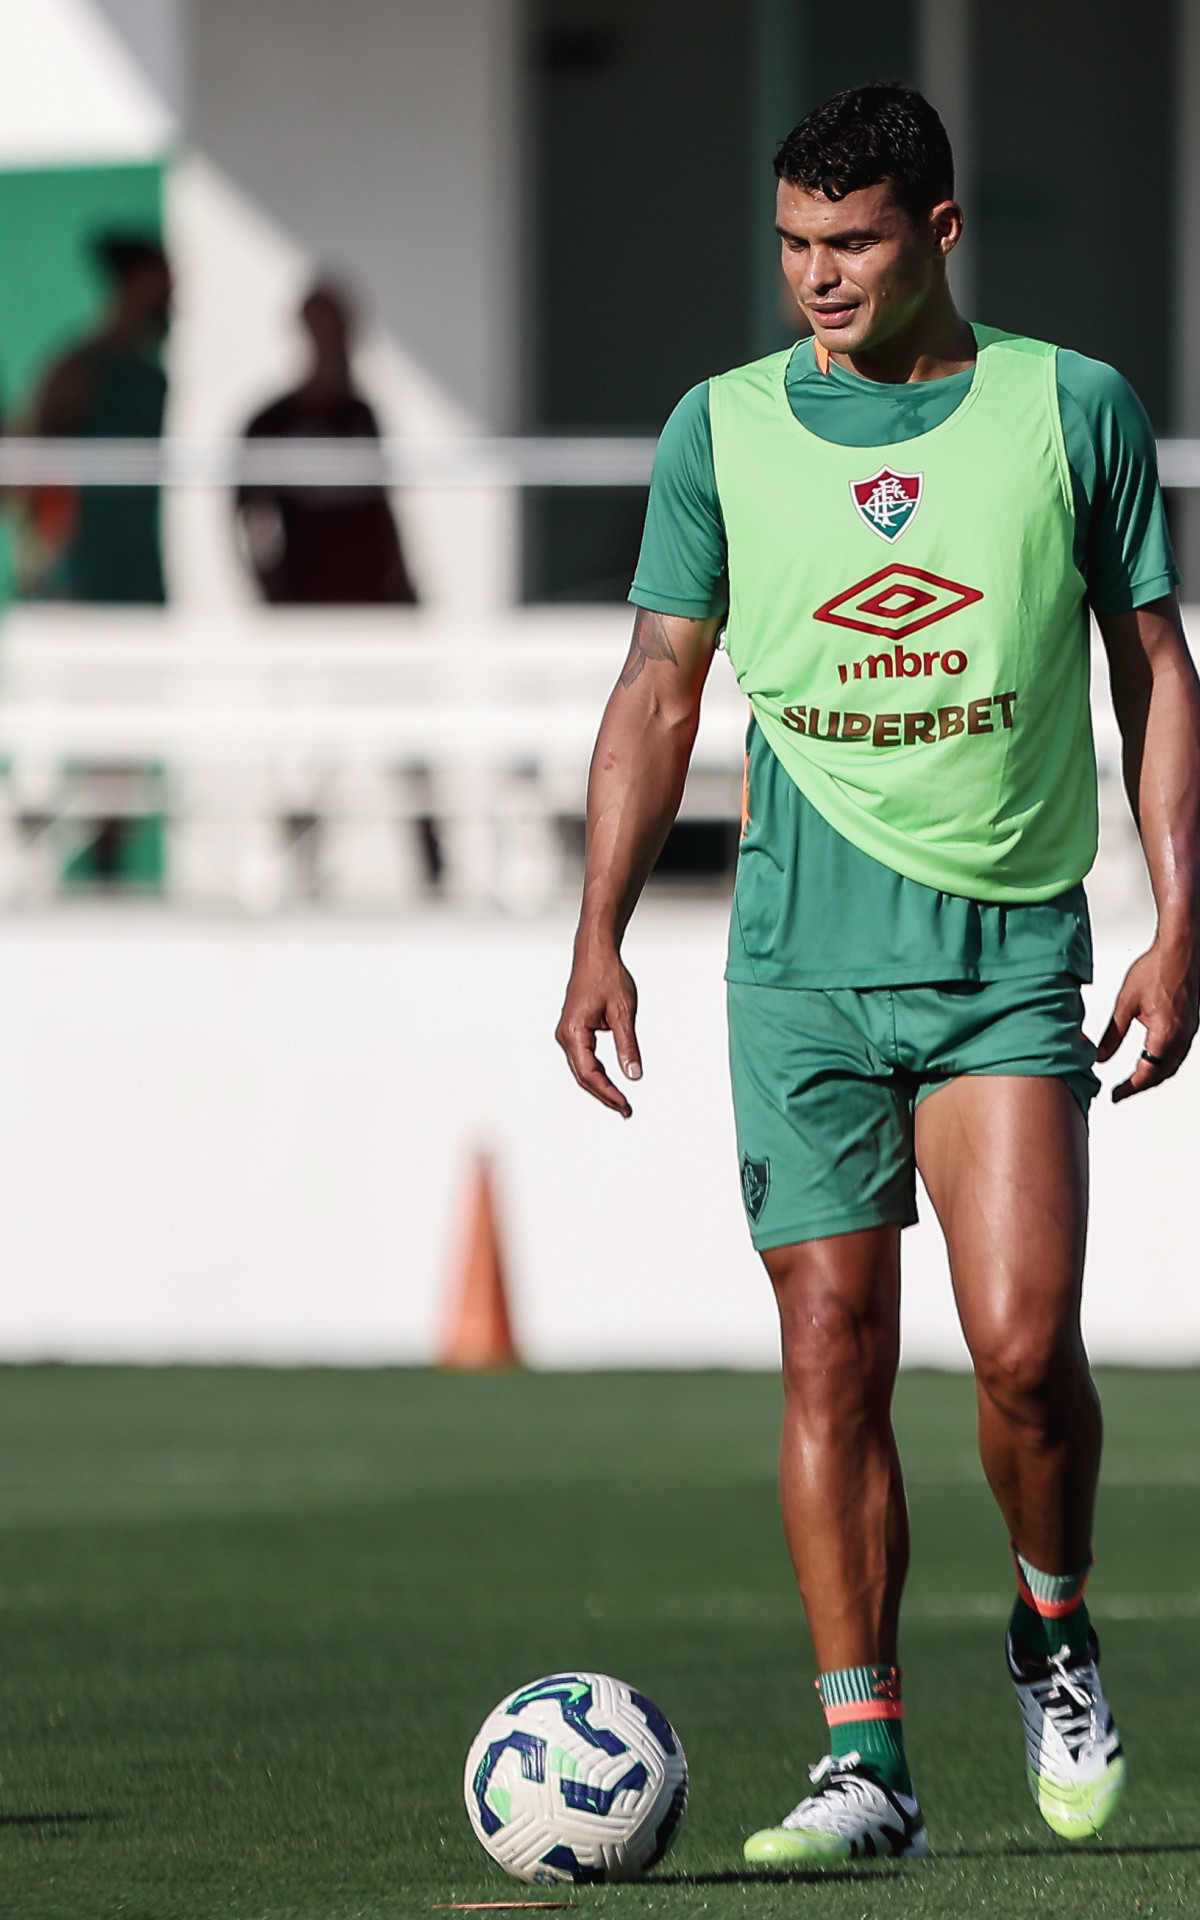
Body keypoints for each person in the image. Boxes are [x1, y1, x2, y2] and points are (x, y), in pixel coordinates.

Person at [556, 81, 1200, 1863]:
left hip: (1003, 950)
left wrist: (1181, 923)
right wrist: (599, 929)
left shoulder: (1071, 407)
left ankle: (1052, 1622)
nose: (816, 277)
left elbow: (1154, 667)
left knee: (1023, 1352)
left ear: (941, 231)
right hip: (798, 965)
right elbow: (658, 686)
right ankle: (868, 1764)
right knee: (832, 1344)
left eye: (850, 242)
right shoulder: (721, 429)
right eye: (792, 245)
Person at [237, 282, 417, 605]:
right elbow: (249, 516)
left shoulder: (359, 415)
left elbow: (383, 506)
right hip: (304, 597)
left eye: (338, 329)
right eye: (322, 328)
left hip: (369, 595)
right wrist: (266, 588)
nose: (331, 340)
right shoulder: (271, 423)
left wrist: (402, 583)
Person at [24, 235, 171, 603]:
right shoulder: (78, 373)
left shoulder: (152, 380)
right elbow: (33, 477)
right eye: (165, 283)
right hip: (81, 582)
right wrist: (43, 569)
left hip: (140, 578)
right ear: (138, 285)